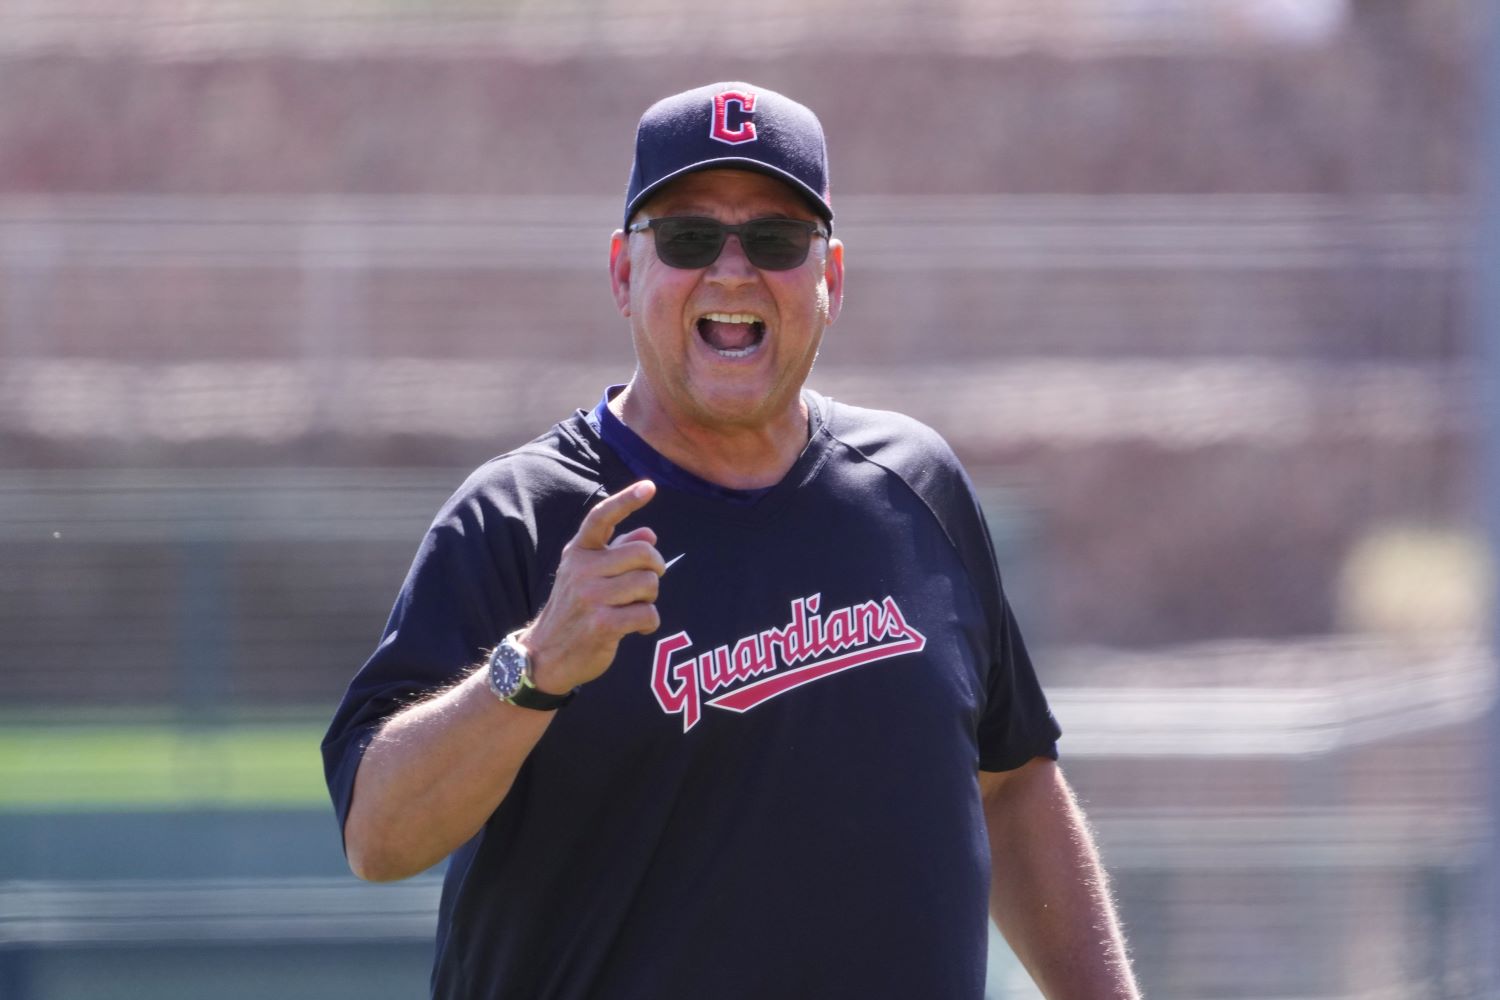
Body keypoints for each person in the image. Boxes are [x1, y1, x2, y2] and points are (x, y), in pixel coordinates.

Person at [322, 81, 1139, 1000]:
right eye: (688, 237)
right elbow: (377, 837)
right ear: (625, 273)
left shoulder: (916, 487)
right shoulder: (520, 516)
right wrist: (533, 668)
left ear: (829, 277)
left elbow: (1014, 784)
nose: (733, 271)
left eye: (777, 239)